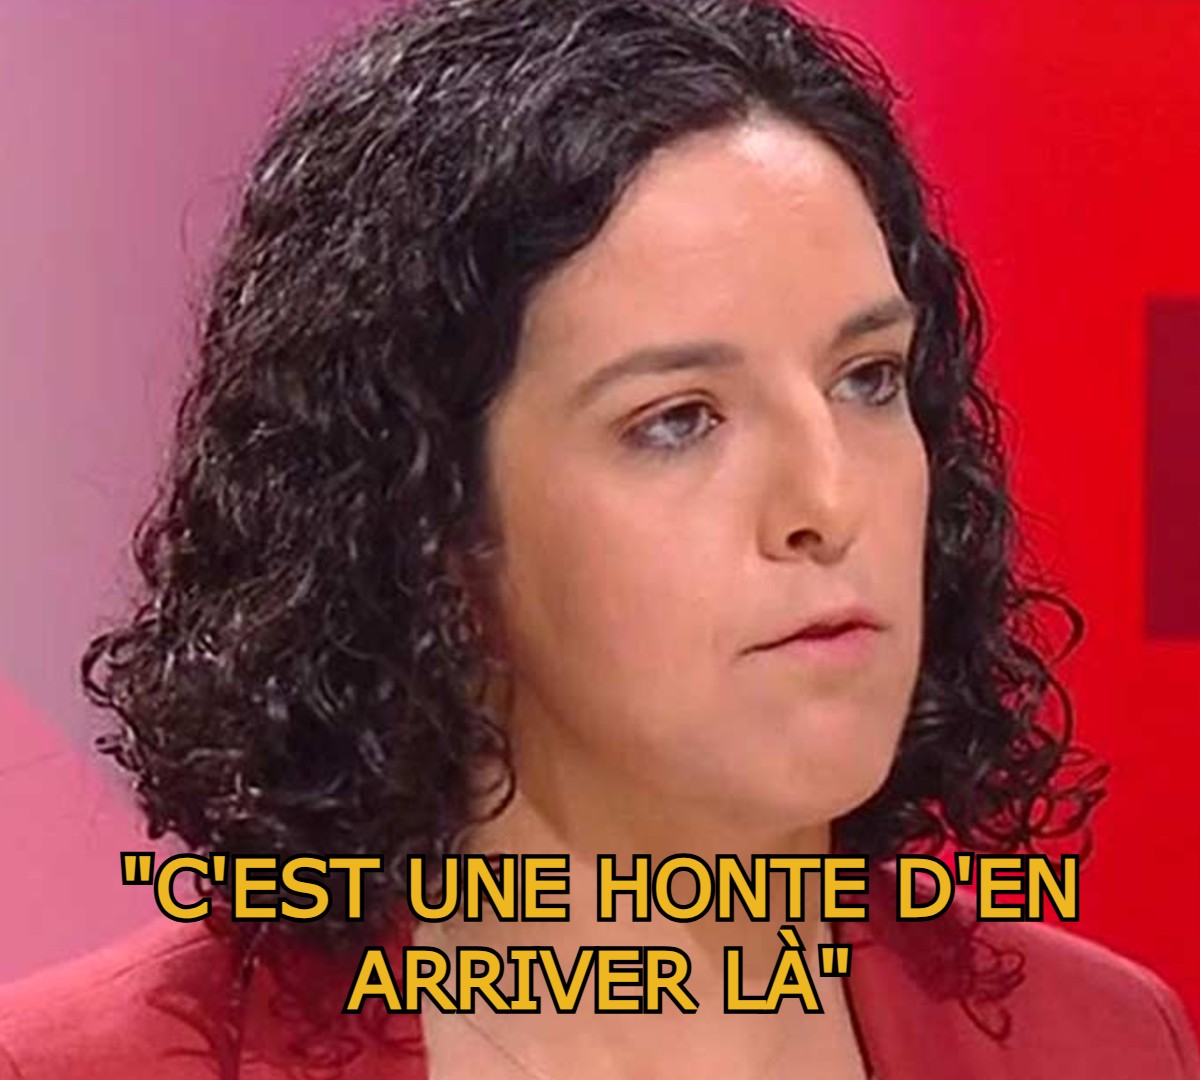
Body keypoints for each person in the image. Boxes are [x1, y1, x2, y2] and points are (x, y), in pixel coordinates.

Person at [1, 0, 1196, 1077]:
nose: (832, 498)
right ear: (428, 512)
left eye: (868, 378)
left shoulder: (1106, 1043)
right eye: (678, 420)